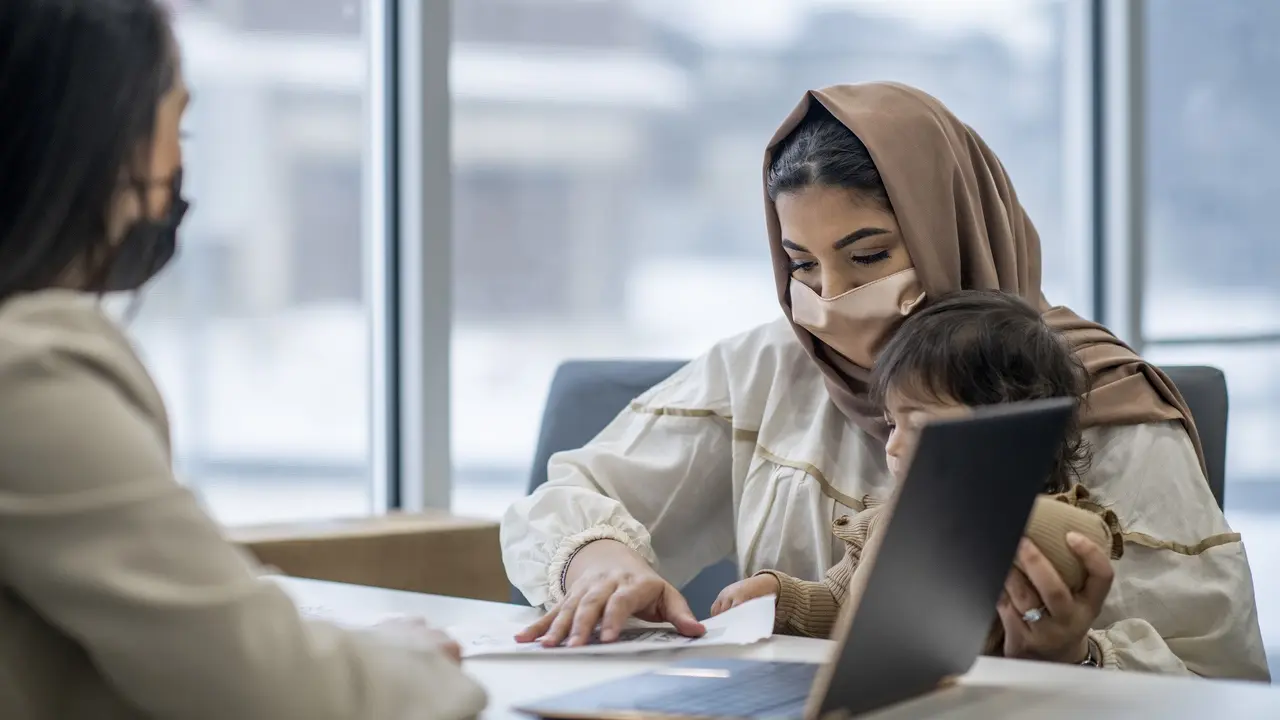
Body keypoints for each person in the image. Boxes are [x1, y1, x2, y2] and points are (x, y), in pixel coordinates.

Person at [502, 82, 1270, 679]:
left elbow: (1219, 674)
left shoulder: (1092, 394)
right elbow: (567, 498)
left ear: (953, 226)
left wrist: (1077, 658)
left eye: (867, 255)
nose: (831, 299)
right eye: (802, 264)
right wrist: (597, 561)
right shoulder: (769, 367)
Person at [0, 2, 485, 718]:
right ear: (84, 133)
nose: (177, 167)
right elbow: (280, 691)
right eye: (174, 127)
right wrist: (405, 661)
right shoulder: (29, 377)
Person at [710, 290, 1124, 666]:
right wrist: (780, 595)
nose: (891, 446)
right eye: (892, 424)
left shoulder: (1045, 520)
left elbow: (1081, 538)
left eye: (922, 426)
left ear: (1011, 431)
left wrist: (964, 506)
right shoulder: (882, 521)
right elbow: (841, 602)